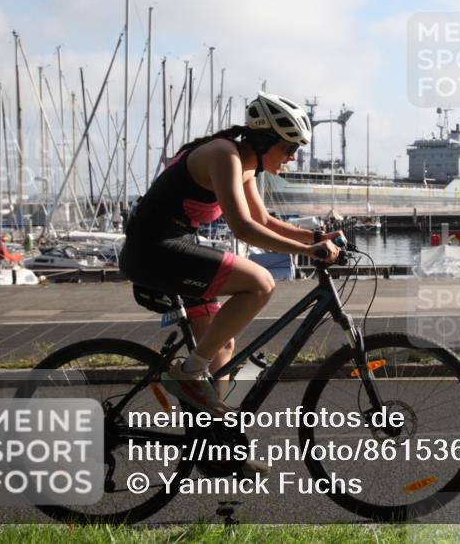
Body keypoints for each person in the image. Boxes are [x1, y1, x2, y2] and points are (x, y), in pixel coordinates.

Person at [119, 90, 342, 416]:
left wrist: (316, 236)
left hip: (174, 248)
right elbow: (243, 229)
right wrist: (307, 250)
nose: (293, 156)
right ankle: (188, 374)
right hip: (154, 251)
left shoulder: (247, 165)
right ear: (265, 140)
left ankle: (218, 442)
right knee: (260, 283)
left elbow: (262, 220)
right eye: (290, 147)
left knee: (222, 346)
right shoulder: (224, 155)